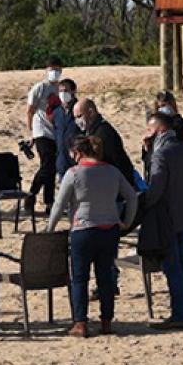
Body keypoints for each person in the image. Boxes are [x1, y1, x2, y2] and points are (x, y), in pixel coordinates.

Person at [47, 135, 138, 338]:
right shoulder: (112, 171)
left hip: (83, 229)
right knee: (105, 277)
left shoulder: (74, 173)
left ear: (77, 153)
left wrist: (49, 229)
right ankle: (106, 321)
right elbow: (131, 196)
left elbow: (59, 205)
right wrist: (127, 221)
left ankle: (81, 322)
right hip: (109, 228)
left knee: (80, 278)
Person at [139, 111, 183, 330]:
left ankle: (179, 313)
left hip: (167, 216)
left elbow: (155, 187)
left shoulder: (162, 154)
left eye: (149, 130)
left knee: (173, 265)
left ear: (159, 130)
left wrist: (143, 205)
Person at [24, 56, 64, 215]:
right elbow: (30, 110)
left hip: (56, 132)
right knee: (48, 164)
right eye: (51, 69)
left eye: (57, 69)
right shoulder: (40, 87)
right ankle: (31, 194)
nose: (54, 72)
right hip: (41, 130)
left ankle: (49, 202)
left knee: (52, 168)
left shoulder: (60, 89)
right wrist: (31, 132)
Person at [73, 99, 136, 187]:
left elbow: (116, 161)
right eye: (75, 117)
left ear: (91, 112)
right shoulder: (90, 131)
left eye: (79, 116)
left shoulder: (104, 133)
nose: (77, 121)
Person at [53, 78, 80, 181]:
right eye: (60, 91)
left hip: (77, 160)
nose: (63, 94)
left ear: (73, 91)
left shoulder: (80, 109)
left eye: (66, 91)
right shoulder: (57, 112)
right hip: (62, 160)